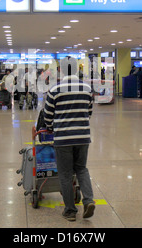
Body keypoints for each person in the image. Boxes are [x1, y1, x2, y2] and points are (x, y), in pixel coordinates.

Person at [44, 56, 95, 221]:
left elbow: (48, 116)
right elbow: (89, 112)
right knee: (81, 169)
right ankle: (88, 200)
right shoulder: (86, 88)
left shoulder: (55, 90)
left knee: (65, 174)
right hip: (83, 137)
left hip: (63, 138)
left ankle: (70, 211)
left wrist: (51, 127)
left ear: (61, 70)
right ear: (77, 69)